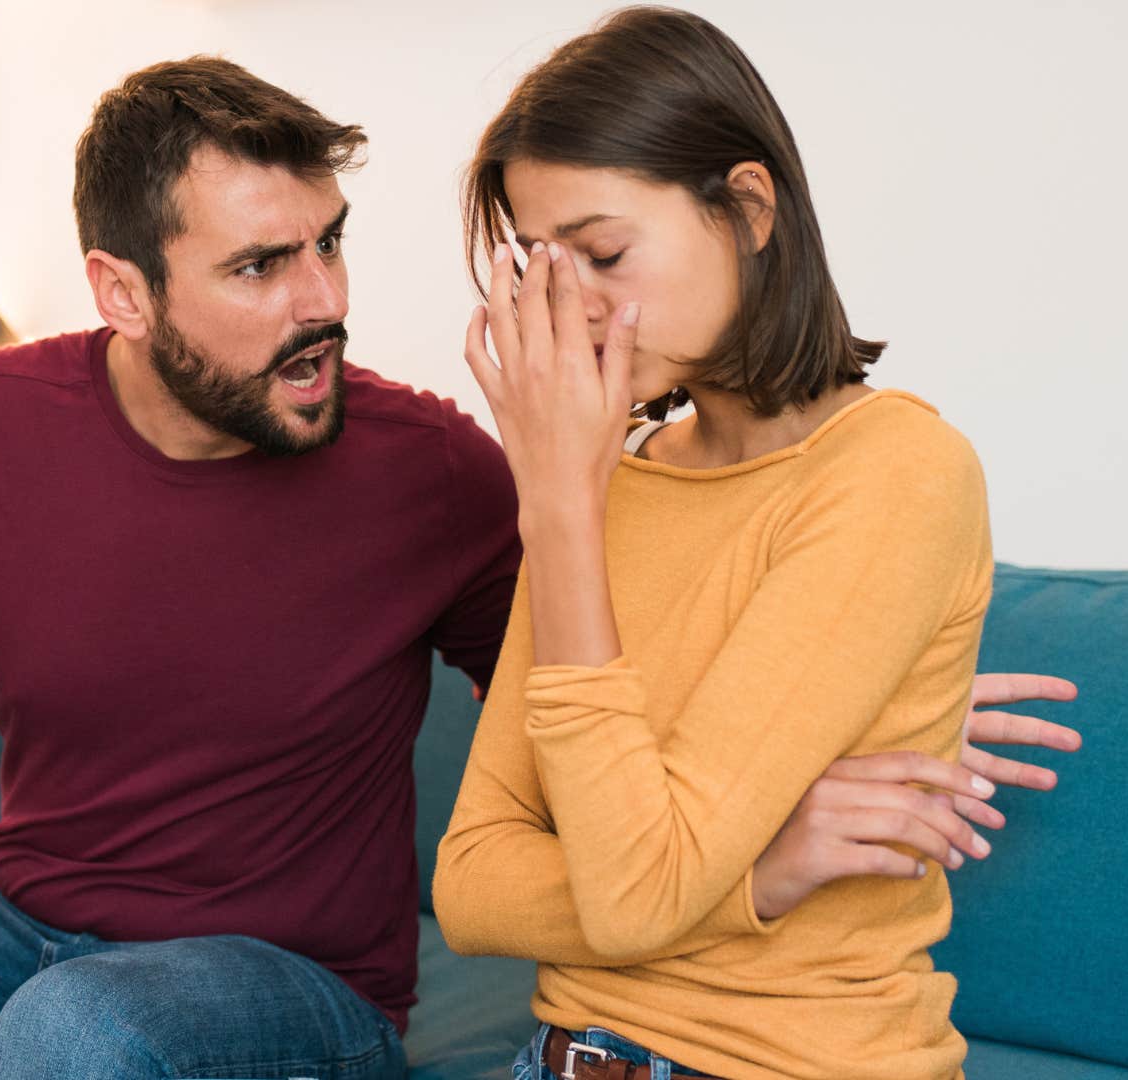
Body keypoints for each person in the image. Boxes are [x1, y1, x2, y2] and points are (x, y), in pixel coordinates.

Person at [0, 55, 1074, 1080]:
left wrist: (838, 683)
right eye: (259, 265)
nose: (322, 298)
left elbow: (621, 710)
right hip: (26, 925)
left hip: (290, 992)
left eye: (331, 244)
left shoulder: (443, 468)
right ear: (121, 288)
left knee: (86, 1036)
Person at [433, 8, 1044, 1079]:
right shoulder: (605, 479)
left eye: (605, 251)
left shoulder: (895, 472)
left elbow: (635, 899)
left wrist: (560, 507)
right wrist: (760, 874)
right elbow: (471, 881)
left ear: (749, 209)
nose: (571, 306)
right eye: (543, 264)